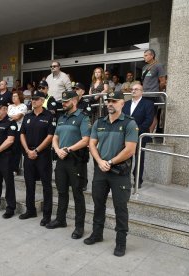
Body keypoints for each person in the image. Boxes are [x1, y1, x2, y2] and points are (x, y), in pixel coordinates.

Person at [85, 91, 139, 257]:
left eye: (114, 101)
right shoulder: (99, 122)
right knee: (98, 203)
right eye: (108, 101)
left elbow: (130, 149)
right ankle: (97, 234)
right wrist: (100, 161)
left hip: (119, 172)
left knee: (120, 208)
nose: (110, 103)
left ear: (122, 103)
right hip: (101, 170)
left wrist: (111, 162)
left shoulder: (129, 123)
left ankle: (121, 242)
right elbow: (92, 144)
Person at [47, 91, 91, 239]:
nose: (63, 104)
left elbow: (86, 140)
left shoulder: (83, 117)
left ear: (74, 100)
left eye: (66, 101)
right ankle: (61, 219)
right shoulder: (61, 117)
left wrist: (68, 149)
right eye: (62, 101)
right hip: (61, 159)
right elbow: (55, 137)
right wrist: (58, 149)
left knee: (78, 194)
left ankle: (79, 227)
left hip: (75, 160)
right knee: (61, 192)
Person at [19, 90, 55, 227]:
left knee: (46, 186)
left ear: (42, 100)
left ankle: (47, 215)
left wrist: (36, 150)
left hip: (43, 155)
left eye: (36, 99)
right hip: (29, 154)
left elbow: (50, 136)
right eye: (32, 99)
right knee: (29, 183)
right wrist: (28, 150)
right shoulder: (28, 116)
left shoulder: (49, 116)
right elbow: (22, 134)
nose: (33, 101)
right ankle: (30, 210)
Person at [122, 84, 155, 187]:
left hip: (140, 135)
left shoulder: (148, 104)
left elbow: (149, 120)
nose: (133, 91)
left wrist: (136, 130)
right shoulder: (126, 104)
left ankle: (138, 180)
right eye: (132, 89)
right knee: (126, 157)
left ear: (142, 91)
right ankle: (124, 178)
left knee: (139, 158)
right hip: (125, 135)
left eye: (136, 89)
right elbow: (122, 118)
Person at [142, 49, 166, 134]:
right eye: (144, 55)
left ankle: (150, 134)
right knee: (145, 115)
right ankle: (146, 132)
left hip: (153, 95)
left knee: (152, 115)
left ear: (152, 55)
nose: (144, 57)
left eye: (146, 55)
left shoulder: (158, 66)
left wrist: (158, 90)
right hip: (144, 94)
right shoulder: (144, 67)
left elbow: (163, 81)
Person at [7, 90, 27, 175]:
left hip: (18, 130)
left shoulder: (23, 106)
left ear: (19, 97)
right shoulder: (10, 106)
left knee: (16, 150)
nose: (13, 98)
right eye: (12, 96)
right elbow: (7, 117)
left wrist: (10, 117)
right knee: (9, 149)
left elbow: (18, 117)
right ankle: (8, 167)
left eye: (15, 96)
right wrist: (12, 117)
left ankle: (15, 169)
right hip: (9, 130)